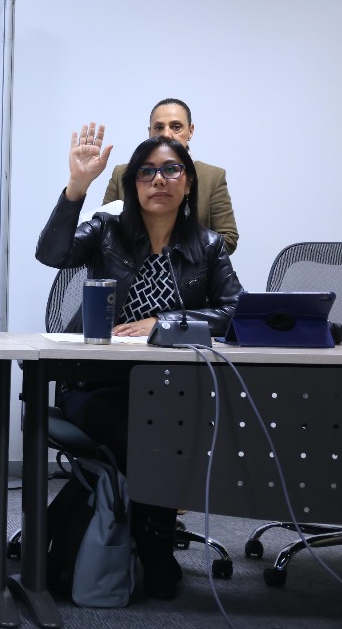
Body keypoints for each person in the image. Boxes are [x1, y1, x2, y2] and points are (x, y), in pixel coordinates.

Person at [37, 123, 243, 599]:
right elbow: (51, 253)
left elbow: (235, 310)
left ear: (188, 183)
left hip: (171, 387)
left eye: (171, 170)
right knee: (148, 434)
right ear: (132, 186)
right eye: (146, 172)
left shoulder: (208, 246)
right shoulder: (107, 231)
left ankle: (148, 538)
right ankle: (155, 544)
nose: (159, 180)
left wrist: (163, 321)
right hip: (95, 385)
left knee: (166, 424)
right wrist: (77, 187)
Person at [98, 98, 239, 253]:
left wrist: (180, 257)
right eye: (159, 127)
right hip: (131, 265)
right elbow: (104, 231)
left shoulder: (212, 176)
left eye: (176, 127)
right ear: (149, 132)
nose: (166, 134)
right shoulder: (122, 173)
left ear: (190, 131)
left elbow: (228, 237)